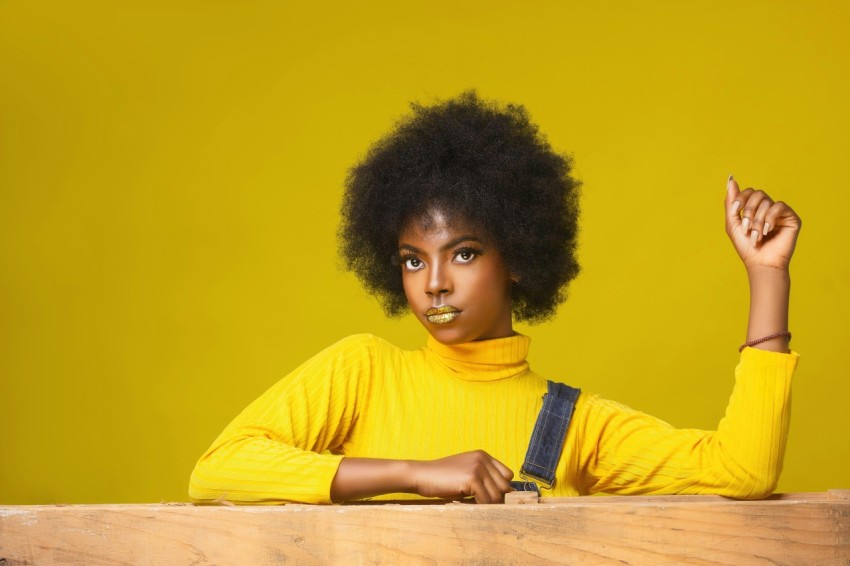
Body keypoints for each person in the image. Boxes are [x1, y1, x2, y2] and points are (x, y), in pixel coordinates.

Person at [188, 91, 801, 505]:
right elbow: (218, 470)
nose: (434, 283)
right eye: (412, 260)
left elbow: (742, 470)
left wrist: (767, 275)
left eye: (463, 253)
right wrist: (415, 474)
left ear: (519, 256)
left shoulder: (574, 422)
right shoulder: (363, 372)